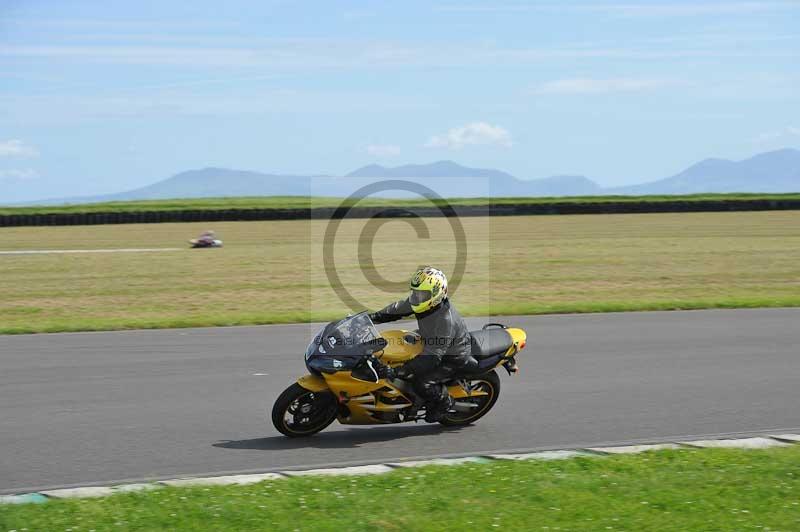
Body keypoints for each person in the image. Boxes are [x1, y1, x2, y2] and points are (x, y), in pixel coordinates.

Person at [369, 266, 472, 422]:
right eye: (415, 292)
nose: (417, 297)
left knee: (422, 383)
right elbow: (397, 309)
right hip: (429, 340)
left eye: (422, 294)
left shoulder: (445, 320)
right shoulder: (424, 302)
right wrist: (371, 318)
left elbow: (432, 358)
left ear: (437, 294)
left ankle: (444, 402)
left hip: (451, 357)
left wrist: (398, 371)